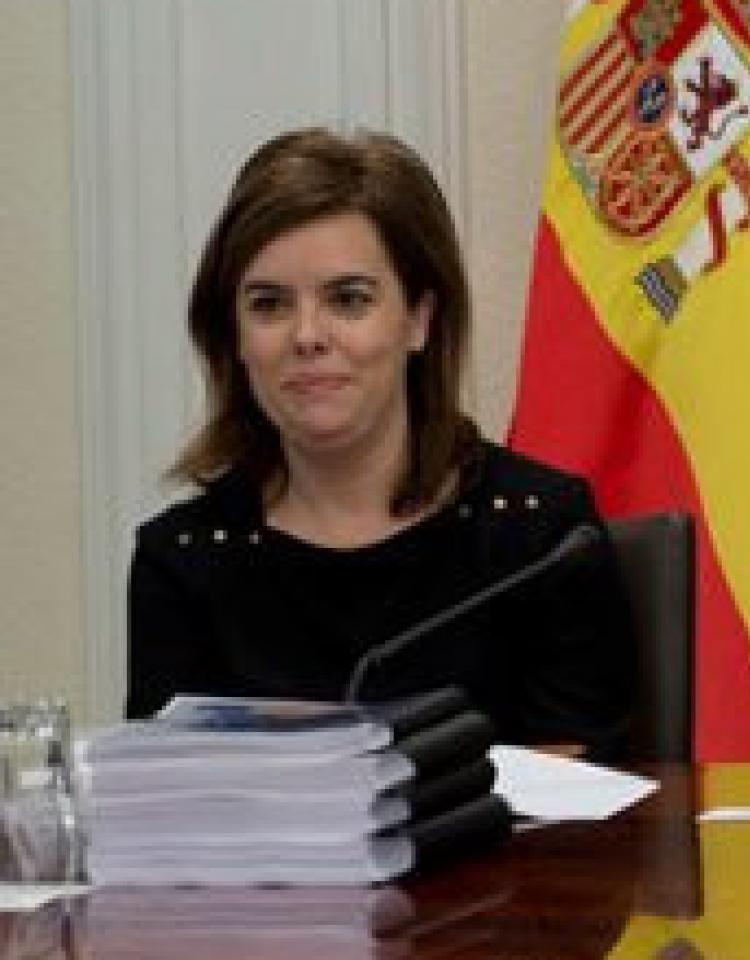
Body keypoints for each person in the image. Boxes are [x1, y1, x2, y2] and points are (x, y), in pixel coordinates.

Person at [125, 127, 634, 757]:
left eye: (348, 299)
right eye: (269, 304)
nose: (307, 336)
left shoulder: (541, 538)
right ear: (232, 333)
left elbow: (585, 811)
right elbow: (167, 816)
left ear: (419, 318)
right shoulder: (184, 560)